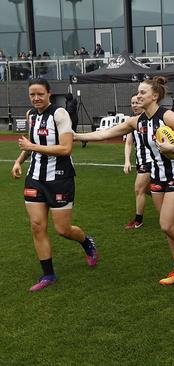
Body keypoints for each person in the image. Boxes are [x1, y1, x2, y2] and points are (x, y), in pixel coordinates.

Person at [75, 76, 174, 286]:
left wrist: (173, 148)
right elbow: (105, 133)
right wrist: (77, 136)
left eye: (142, 92)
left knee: (166, 223)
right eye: (137, 92)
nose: (138, 95)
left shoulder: (167, 116)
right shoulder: (137, 121)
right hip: (158, 177)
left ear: (155, 96)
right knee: (170, 226)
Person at [11, 78, 98, 292]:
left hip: (59, 178)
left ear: (49, 94)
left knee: (63, 229)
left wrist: (31, 146)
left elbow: (66, 148)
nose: (36, 98)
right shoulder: (31, 115)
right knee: (37, 226)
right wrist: (19, 161)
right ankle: (48, 275)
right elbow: (33, 144)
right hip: (35, 178)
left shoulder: (59, 114)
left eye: (40, 93)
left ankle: (86, 242)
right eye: (32, 94)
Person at [123, 94, 152, 229]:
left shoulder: (151, 119)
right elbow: (129, 143)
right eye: (132, 103)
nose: (134, 105)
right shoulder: (132, 121)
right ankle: (166, 201)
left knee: (138, 188)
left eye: (137, 102)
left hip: (150, 160)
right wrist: (127, 161)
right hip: (140, 160)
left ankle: (138, 220)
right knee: (147, 189)